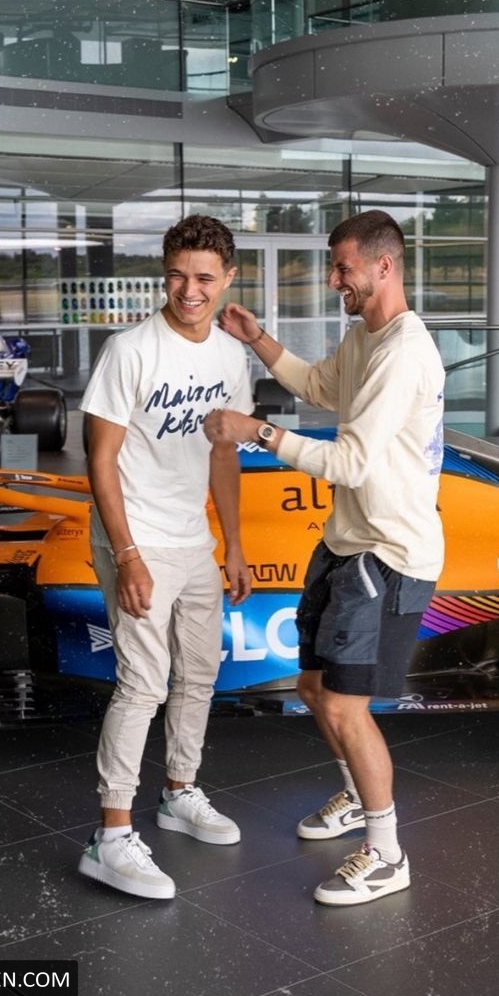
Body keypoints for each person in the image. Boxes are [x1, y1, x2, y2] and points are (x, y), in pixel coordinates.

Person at [204, 209, 445, 907]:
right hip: (345, 541)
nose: (334, 278)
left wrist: (256, 432)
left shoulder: (404, 352)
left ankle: (387, 853)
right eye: (335, 266)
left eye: (344, 267)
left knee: (344, 704)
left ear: (383, 266)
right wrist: (258, 340)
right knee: (313, 688)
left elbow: (349, 461)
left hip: (390, 553)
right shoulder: (365, 335)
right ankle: (356, 797)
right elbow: (319, 386)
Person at [78, 213, 253, 900]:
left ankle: (179, 792)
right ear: (164, 273)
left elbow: (223, 454)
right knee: (143, 683)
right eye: (177, 275)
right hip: (137, 535)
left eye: (204, 277)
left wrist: (234, 544)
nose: (189, 290)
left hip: (192, 538)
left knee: (199, 672)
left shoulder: (230, 356)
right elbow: (100, 460)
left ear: (228, 278)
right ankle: (111, 835)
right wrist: (126, 554)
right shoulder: (130, 350)